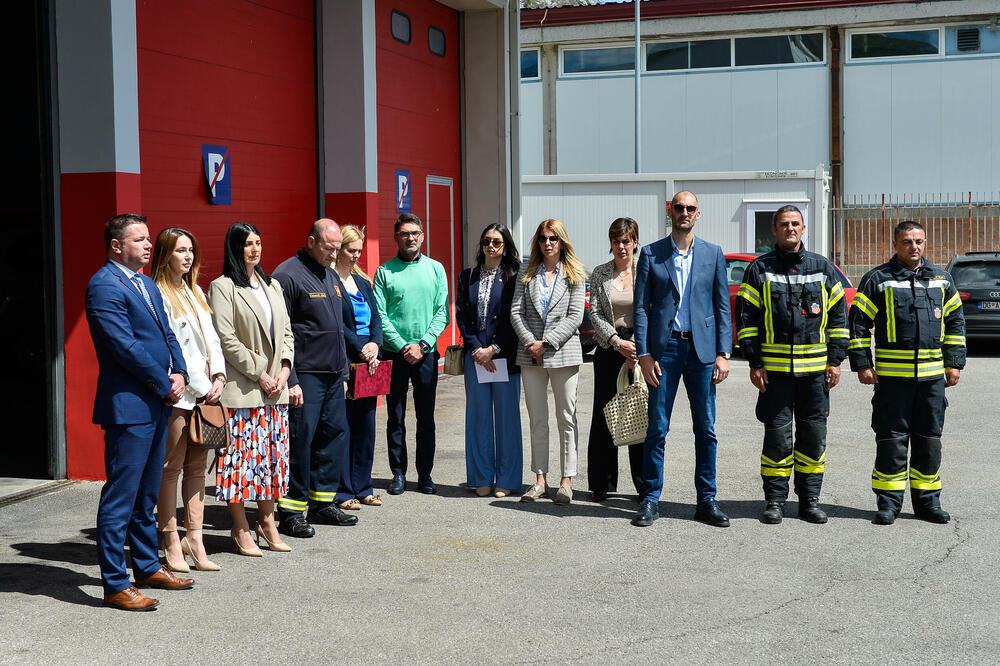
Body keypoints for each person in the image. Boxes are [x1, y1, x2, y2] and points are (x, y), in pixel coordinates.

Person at [86, 213, 194, 611]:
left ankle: (147, 566)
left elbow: (168, 333)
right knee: (122, 496)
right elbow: (124, 346)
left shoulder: (145, 283)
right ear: (116, 246)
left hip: (157, 401)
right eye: (140, 240)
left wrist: (180, 371)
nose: (149, 245)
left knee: (146, 493)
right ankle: (116, 583)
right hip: (129, 406)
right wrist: (164, 382)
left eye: (149, 239)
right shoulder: (103, 285)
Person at [734, 206, 849, 525]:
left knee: (813, 437)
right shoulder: (759, 269)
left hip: (815, 376)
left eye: (795, 223)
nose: (790, 228)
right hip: (775, 375)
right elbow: (746, 319)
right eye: (784, 224)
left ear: (804, 228)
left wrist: (835, 360)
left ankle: (809, 500)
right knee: (777, 438)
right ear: (774, 229)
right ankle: (774, 501)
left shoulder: (822, 268)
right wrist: (755, 362)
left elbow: (839, 318)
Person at [848, 220, 966, 525]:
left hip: (931, 381)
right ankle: (889, 504)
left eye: (919, 241)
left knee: (929, 441)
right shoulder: (878, 280)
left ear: (925, 243)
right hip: (892, 381)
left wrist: (954, 362)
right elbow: (858, 324)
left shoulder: (942, 280)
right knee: (892, 442)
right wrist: (862, 363)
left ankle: (928, 503)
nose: (914, 247)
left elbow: (955, 322)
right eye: (907, 242)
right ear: (895, 245)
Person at [632, 191, 732, 528]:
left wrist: (723, 353)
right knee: (657, 428)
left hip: (702, 353)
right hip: (665, 351)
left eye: (690, 208)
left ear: (697, 214)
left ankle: (707, 500)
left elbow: (722, 307)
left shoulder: (712, 254)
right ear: (670, 212)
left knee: (706, 428)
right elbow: (641, 308)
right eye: (679, 207)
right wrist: (644, 354)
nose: (684, 212)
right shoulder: (651, 254)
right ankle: (650, 499)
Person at [208, 222, 295, 556]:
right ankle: (240, 526)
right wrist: (260, 373)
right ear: (235, 248)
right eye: (247, 244)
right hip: (244, 390)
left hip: (276, 390)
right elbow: (226, 339)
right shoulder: (223, 287)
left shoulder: (273, 284)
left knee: (272, 460)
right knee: (240, 463)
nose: (255, 249)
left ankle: (268, 522)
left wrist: (284, 369)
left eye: (258, 242)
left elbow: (287, 332)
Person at [271, 219, 358, 536]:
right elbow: (279, 333)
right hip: (305, 376)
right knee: (300, 441)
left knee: (333, 437)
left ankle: (322, 504)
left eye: (338, 249)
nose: (334, 255)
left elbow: (338, 329)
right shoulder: (287, 275)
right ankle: (292, 512)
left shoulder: (330, 274)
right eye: (329, 248)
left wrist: (344, 371)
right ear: (311, 242)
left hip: (334, 375)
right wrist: (291, 378)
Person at [151, 228, 227, 572]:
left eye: (191, 250)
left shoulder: (195, 290)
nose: (188, 256)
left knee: (197, 468)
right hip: (180, 393)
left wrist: (220, 375)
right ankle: (169, 538)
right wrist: (200, 383)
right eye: (180, 250)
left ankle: (194, 537)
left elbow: (213, 339)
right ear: (165, 254)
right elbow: (170, 348)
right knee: (171, 467)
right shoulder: (158, 292)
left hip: (207, 392)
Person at [511, 218, 587, 504]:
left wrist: (546, 343)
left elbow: (575, 315)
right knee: (537, 419)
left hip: (563, 353)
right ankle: (540, 480)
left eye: (553, 238)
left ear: (562, 241)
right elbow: (516, 312)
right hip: (530, 354)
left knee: (566, 418)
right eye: (543, 238)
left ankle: (566, 481)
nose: (548, 243)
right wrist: (532, 343)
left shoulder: (575, 272)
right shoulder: (526, 271)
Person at [373, 213, 450, 495]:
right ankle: (398, 473)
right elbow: (379, 315)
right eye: (405, 233)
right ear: (396, 237)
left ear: (422, 236)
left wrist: (423, 345)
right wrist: (403, 345)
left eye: (415, 233)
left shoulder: (436, 269)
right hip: (394, 354)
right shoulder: (384, 272)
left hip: (426, 354)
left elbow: (442, 312)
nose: (411, 238)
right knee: (395, 417)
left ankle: (425, 474)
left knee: (425, 418)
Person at [455, 224, 523, 499]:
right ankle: (481, 477)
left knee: (507, 420)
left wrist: (493, 349)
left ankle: (506, 479)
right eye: (486, 241)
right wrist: (477, 349)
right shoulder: (468, 276)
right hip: (476, 358)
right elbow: (462, 315)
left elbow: (514, 317)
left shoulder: (515, 276)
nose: (491, 246)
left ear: (505, 246)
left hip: (503, 356)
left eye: (496, 242)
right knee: (478, 418)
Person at [587, 217, 643, 502]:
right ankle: (601, 483)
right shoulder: (600, 273)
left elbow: (653, 309)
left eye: (626, 241)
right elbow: (595, 313)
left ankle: (644, 485)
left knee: (638, 414)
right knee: (604, 416)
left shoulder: (645, 270)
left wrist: (637, 347)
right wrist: (616, 341)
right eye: (616, 241)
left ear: (635, 242)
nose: (621, 246)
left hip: (638, 351)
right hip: (609, 349)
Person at [333, 225, 384, 508]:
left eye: (359, 251)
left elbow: (376, 317)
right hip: (347, 357)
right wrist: (361, 348)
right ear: (339, 249)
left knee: (366, 424)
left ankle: (364, 486)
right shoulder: (330, 280)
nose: (355, 256)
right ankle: (344, 491)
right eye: (351, 250)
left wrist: (375, 344)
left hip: (370, 359)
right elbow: (337, 324)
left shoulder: (363, 281)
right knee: (345, 424)